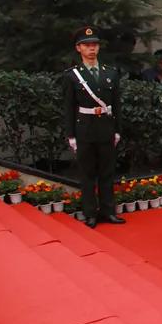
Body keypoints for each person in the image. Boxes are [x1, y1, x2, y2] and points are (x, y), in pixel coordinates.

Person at [62, 26, 125, 229]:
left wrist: (117, 130)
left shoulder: (111, 73)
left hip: (105, 128)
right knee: (87, 174)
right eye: (87, 45)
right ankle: (90, 213)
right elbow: (69, 107)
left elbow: (117, 105)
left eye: (95, 45)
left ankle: (108, 211)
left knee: (107, 172)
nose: (92, 49)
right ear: (78, 48)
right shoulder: (72, 75)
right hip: (85, 129)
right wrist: (70, 135)